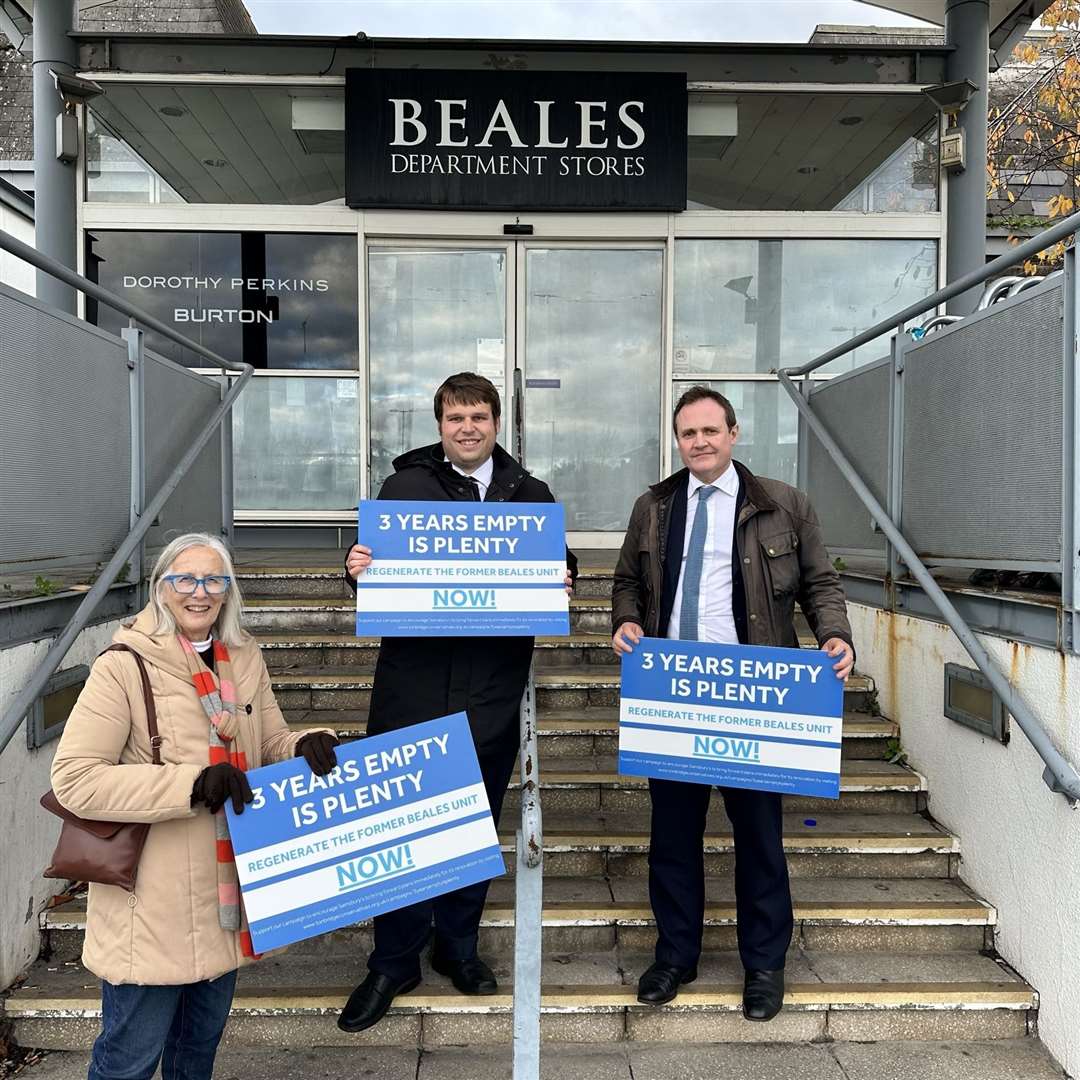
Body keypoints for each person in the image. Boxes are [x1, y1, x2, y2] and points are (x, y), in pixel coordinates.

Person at [50, 533, 340, 1080]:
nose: (199, 592)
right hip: (151, 906)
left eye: (214, 580)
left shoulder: (244, 656)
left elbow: (268, 741)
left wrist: (305, 746)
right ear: (162, 588)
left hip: (228, 900)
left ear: (229, 591)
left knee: (195, 1056)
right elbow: (76, 780)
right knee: (128, 1062)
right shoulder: (124, 665)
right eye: (186, 579)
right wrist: (192, 785)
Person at [338, 371, 576, 1033]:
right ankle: (394, 958)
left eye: (478, 416)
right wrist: (354, 569)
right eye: (454, 418)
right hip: (413, 683)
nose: (467, 428)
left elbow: (557, 567)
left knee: (474, 817)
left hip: (491, 685)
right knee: (404, 817)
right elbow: (372, 575)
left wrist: (563, 576)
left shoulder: (531, 495)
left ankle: (458, 945)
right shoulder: (403, 489)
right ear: (439, 424)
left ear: (497, 422)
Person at [611, 386, 855, 1023]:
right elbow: (627, 582)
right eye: (688, 434)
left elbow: (821, 583)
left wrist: (835, 634)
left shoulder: (784, 505)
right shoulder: (655, 506)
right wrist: (627, 621)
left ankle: (765, 966)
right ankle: (675, 956)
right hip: (674, 693)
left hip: (756, 698)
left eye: (710, 431)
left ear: (734, 432)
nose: (700, 443)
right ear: (678, 439)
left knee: (760, 838)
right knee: (672, 837)